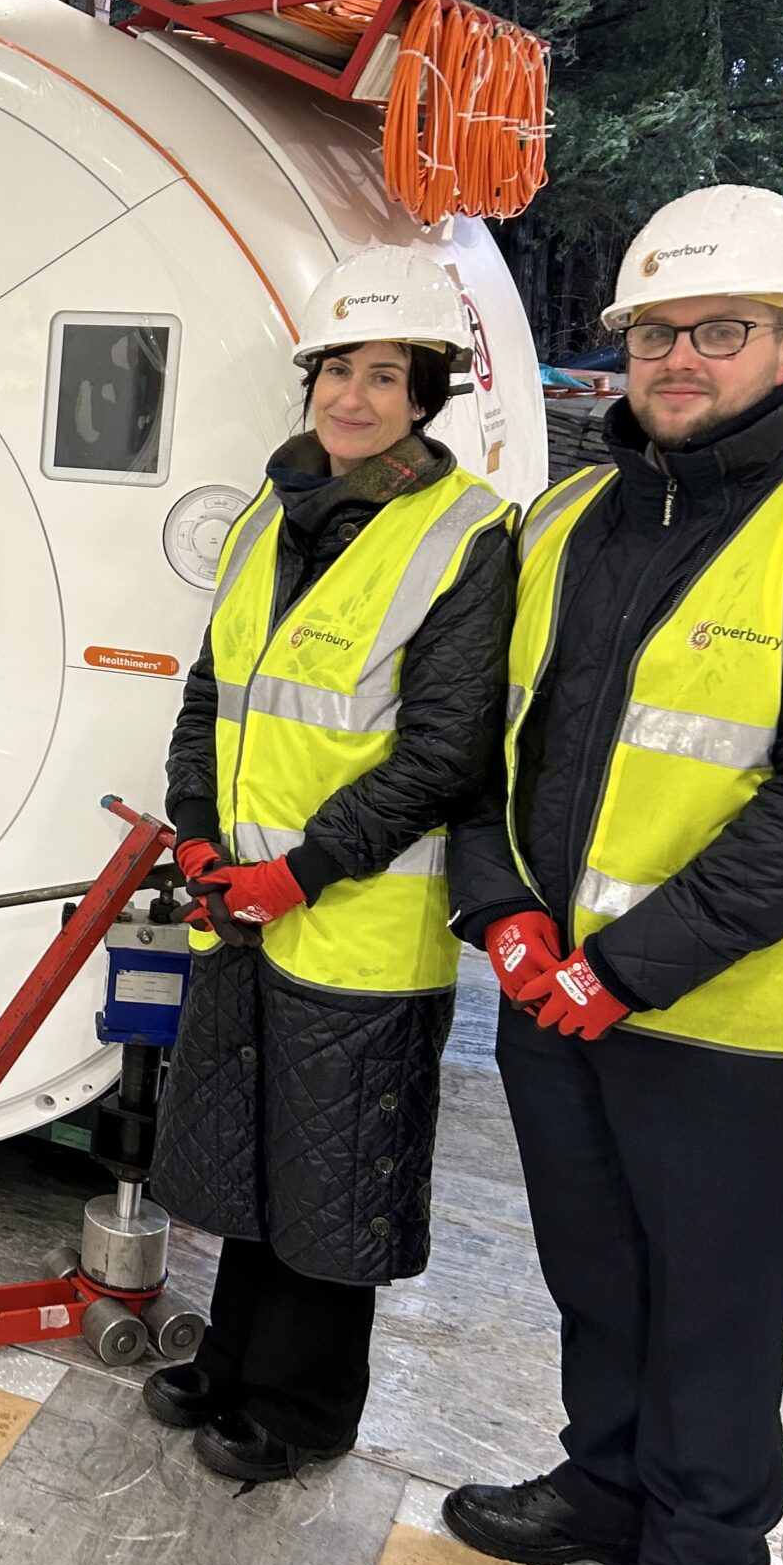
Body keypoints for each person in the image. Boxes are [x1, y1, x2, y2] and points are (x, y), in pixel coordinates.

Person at [441, 185, 783, 1565]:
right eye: (657, 330)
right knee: (593, 1270)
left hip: (728, 1019)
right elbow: (496, 745)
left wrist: (623, 969)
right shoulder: (567, 516)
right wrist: (504, 912)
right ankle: (609, 1484)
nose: (681, 357)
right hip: (549, 988)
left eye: (719, 330)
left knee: (711, 1299)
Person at [143, 248, 515, 1485]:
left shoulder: (464, 536)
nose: (351, 397)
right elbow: (215, 695)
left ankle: (301, 1410)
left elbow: (446, 753)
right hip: (238, 904)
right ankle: (231, 1362)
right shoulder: (271, 508)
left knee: (332, 1177)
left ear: (426, 393)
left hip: (353, 921)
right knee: (249, 1150)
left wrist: (299, 871)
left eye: (383, 375)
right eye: (336, 371)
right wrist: (195, 831)